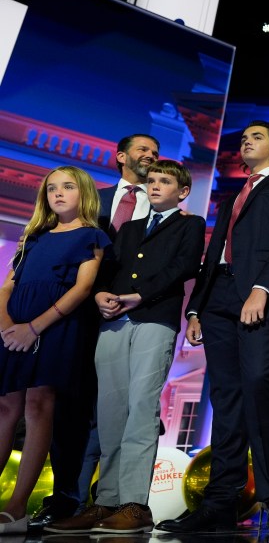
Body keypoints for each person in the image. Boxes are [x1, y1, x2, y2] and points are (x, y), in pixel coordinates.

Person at [156, 120, 269, 534]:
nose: (247, 142)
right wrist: (195, 309)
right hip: (218, 297)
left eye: (257, 137)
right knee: (225, 398)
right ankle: (220, 502)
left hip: (260, 294)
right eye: (243, 138)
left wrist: (262, 288)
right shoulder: (231, 197)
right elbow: (213, 255)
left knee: (260, 383)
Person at [45, 160, 205, 534]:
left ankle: (135, 503)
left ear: (182, 192)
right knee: (111, 413)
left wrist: (139, 295)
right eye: (151, 180)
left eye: (164, 181)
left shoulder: (190, 224)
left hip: (154, 319)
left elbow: (183, 267)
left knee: (140, 409)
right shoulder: (128, 229)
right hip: (114, 321)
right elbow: (106, 269)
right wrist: (100, 293)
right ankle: (106, 502)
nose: (155, 186)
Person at [29, 135, 159, 530]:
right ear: (121, 157)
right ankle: (66, 497)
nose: (150, 156)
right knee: (68, 406)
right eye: (142, 150)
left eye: (155, 153)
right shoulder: (91, 199)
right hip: (75, 314)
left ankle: (113, 501)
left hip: (133, 314)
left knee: (123, 409)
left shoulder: (162, 202)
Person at [0, 166, 110, 534]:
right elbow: (6, 287)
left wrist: (34, 328)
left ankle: (17, 508)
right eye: (51, 189)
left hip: (54, 327)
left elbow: (81, 290)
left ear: (84, 193)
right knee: (5, 407)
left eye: (67, 187)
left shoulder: (92, 236)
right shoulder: (34, 235)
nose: (58, 193)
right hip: (14, 328)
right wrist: (7, 328)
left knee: (38, 404)